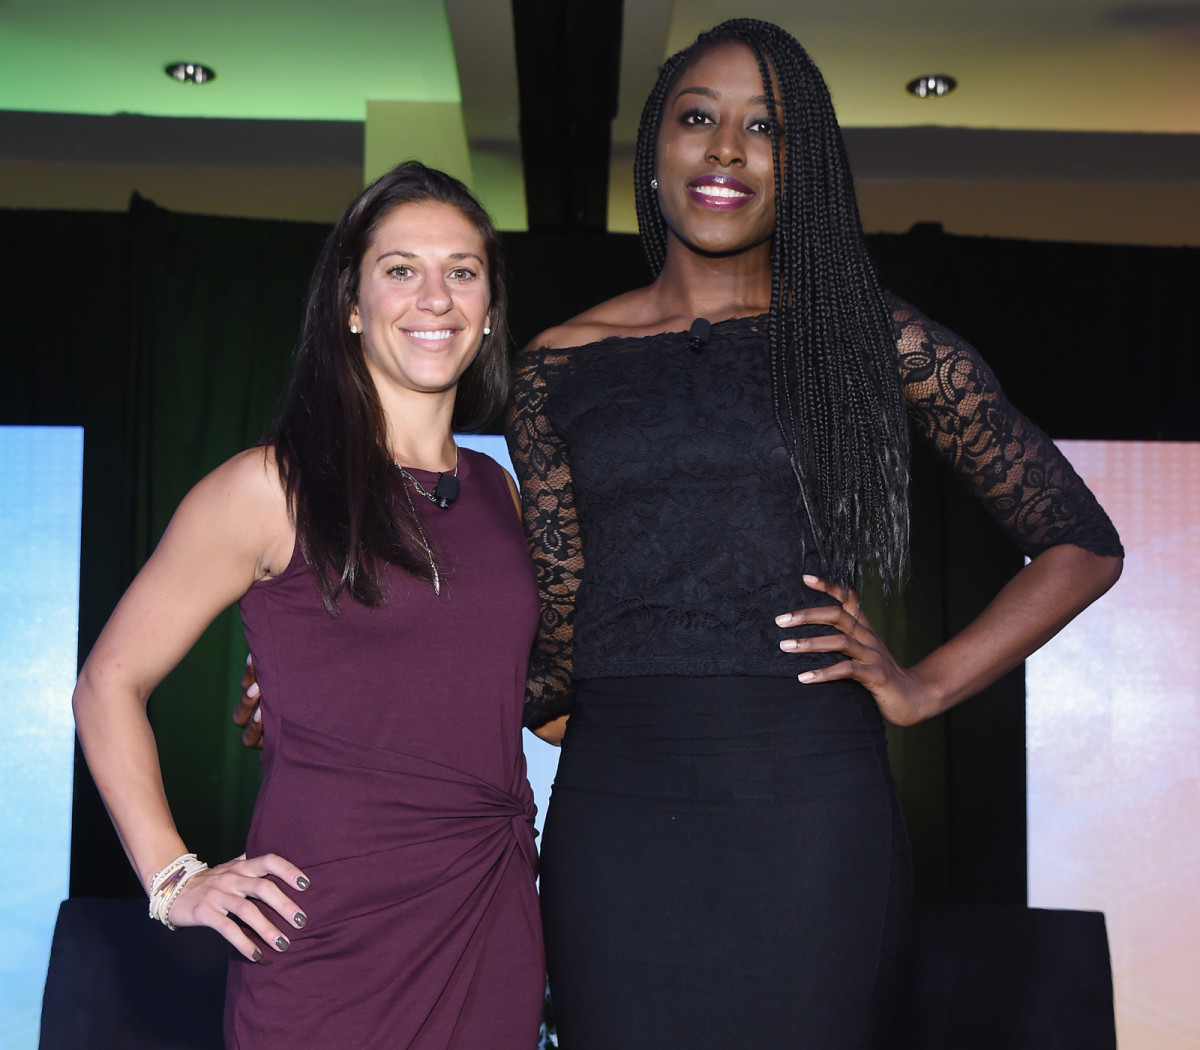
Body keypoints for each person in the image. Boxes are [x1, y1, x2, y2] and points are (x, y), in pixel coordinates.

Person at [503, 18, 1124, 1050]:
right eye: (697, 118)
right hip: (616, 808)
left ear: (805, 167)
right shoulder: (557, 366)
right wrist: (334, 675)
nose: (726, 150)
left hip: (803, 804)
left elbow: (1079, 542)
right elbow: (552, 622)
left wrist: (923, 685)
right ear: (653, 147)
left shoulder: (867, 339)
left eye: (767, 128)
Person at [72, 162, 544, 1049]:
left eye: (463, 271)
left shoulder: (501, 493)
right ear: (352, 306)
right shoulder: (268, 487)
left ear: (487, 309)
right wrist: (174, 878)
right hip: (327, 935)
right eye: (401, 269)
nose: (434, 297)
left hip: (490, 914)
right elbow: (107, 683)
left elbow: (506, 699)